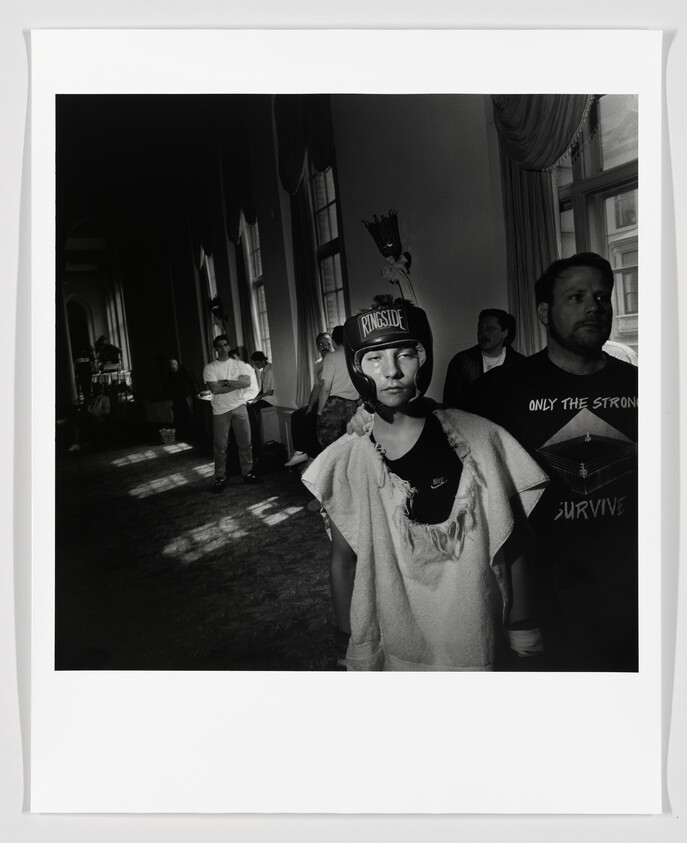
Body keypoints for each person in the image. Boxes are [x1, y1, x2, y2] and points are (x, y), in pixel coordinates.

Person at [302, 296, 549, 671]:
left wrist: (524, 629)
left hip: (471, 637)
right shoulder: (348, 458)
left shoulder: (479, 439)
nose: (392, 371)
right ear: (357, 367)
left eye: (405, 354)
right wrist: (346, 639)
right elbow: (343, 560)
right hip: (394, 643)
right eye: (375, 358)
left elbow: (511, 541)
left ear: (424, 356)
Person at [466, 252, 638, 671]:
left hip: (628, 592)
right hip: (538, 596)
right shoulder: (496, 392)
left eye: (601, 296)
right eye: (575, 297)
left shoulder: (642, 385)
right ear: (544, 312)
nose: (594, 306)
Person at [202, 334, 262, 491]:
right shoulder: (210, 368)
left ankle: (247, 473)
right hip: (221, 411)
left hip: (239, 407)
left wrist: (226, 382)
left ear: (229, 347)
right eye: (219, 346)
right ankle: (220, 478)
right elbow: (215, 389)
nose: (223, 348)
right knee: (220, 447)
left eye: (225, 345)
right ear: (216, 349)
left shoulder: (239, 365)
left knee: (246, 443)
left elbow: (247, 382)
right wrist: (236, 385)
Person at [443, 308, 525, 408]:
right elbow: (450, 406)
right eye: (480, 329)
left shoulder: (520, 364)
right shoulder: (461, 362)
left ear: (505, 333)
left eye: (490, 329)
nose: (483, 334)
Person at [285, 332, 334, 467]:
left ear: (332, 344)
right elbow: (317, 387)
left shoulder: (337, 359)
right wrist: (310, 405)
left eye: (327, 343)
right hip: (320, 399)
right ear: (317, 347)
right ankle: (300, 452)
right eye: (321, 344)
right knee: (297, 414)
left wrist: (315, 409)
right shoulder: (318, 363)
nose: (324, 346)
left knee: (311, 419)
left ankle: (313, 456)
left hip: (334, 399)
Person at [316, 325, 360, 448]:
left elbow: (325, 388)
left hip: (334, 407)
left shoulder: (331, 357)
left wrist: (319, 412)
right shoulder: (355, 357)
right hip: (353, 407)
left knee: (330, 448)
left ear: (334, 342)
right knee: (350, 446)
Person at [247, 350, 276, 458]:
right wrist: (255, 398)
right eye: (255, 364)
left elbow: (270, 392)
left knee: (253, 409)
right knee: (250, 406)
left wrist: (258, 398)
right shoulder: (264, 371)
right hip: (266, 397)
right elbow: (263, 390)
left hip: (272, 399)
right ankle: (253, 434)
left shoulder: (270, 371)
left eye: (258, 363)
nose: (256, 366)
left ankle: (256, 434)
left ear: (263, 360)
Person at [164, 358, 199, 442]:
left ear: (177, 365)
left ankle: (194, 435)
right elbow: (169, 387)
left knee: (190, 415)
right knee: (179, 417)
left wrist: (197, 392)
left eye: (173, 368)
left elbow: (193, 382)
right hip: (177, 398)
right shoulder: (169, 374)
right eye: (170, 368)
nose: (172, 369)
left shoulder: (185, 371)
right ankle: (184, 435)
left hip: (187, 396)